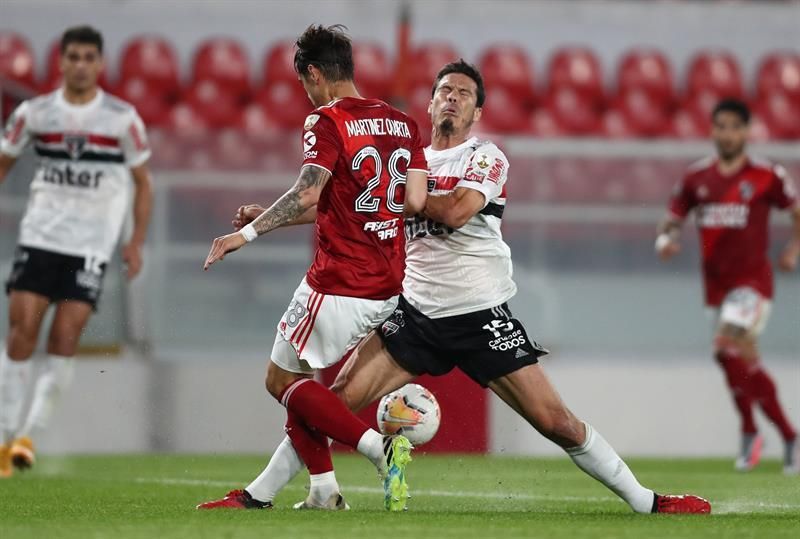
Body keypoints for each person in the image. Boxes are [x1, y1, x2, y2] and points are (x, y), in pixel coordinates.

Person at [200, 60, 711, 514]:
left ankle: (648, 501)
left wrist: (394, 197)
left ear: (477, 112)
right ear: (429, 103)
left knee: (556, 422)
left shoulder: (485, 157)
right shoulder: (409, 156)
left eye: (464, 93)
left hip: (479, 313)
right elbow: (349, 206)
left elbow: (457, 211)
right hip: (413, 313)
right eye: (444, 90)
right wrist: (269, 217)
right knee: (331, 403)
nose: (452, 98)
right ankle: (260, 495)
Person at [201, 25, 428, 511]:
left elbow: (308, 191)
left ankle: (379, 448)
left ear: (315, 73)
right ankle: (321, 491)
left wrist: (245, 234)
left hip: (338, 281)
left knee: (281, 382)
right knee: (302, 389)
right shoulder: (403, 123)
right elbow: (411, 201)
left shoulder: (327, 120)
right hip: (387, 284)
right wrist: (269, 216)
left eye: (304, 81)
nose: (306, 91)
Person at [0, 25, 153, 478]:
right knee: (21, 332)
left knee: (65, 338)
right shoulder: (34, 113)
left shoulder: (122, 119)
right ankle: (4, 439)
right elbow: (4, 162)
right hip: (40, 238)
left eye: (89, 57)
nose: (81, 65)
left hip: (90, 246)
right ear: (61, 62)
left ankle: (28, 436)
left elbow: (144, 184)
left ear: (100, 64)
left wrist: (135, 241)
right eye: (74, 57)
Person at [656, 99, 799, 475]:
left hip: (752, 283)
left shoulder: (766, 175)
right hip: (716, 287)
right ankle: (789, 435)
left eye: (736, 127)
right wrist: (666, 240)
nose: (728, 134)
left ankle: (750, 430)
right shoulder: (696, 178)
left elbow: (796, 211)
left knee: (724, 346)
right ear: (712, 130)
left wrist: (792, 249)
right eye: (721, 126)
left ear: (747, 131)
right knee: (742, 361)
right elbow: (672, 218)